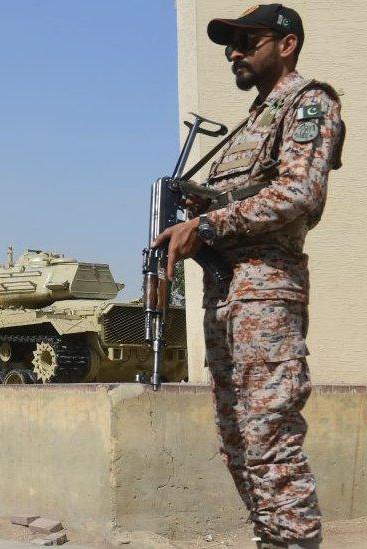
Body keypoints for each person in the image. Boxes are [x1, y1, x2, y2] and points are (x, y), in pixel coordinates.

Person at [152, 5, 344, 549]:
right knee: (238, 441)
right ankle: (272, 540)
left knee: (270, 438)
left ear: (286, 45)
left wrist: (207, 225)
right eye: (228, 44)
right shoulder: (249, 123)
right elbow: (242, 198)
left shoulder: (309, 102)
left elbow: (297, 193)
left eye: (246, 41)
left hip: (265, 294)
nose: (233, 52)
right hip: (227, 295)